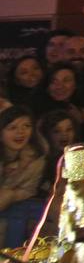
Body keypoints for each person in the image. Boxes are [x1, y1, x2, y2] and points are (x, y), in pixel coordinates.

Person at [0, 106, 47, 248]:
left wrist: (11, 193)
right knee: (16, 217)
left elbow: (29, 190)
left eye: (26, 126)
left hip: (21, 200)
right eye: (12, 128)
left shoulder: (35, 155)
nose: (20, 132)